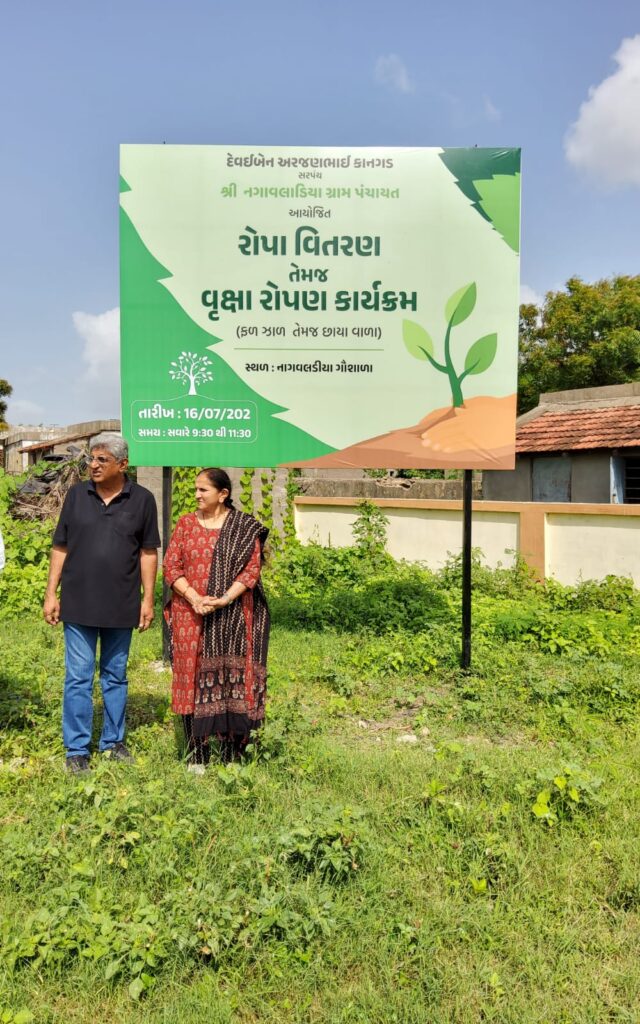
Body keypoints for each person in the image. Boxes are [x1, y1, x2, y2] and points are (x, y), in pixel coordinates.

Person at [43, 433, 160, 773]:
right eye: (91, 459)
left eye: (101, 460)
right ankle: (77, 750)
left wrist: (148, 599)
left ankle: (112, 743)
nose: (93, 465)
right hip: (78, 603)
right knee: (78, 677)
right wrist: (51, 593)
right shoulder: (77, 496)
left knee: (115, 676)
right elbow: (60, 546)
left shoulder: (143, 500)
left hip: (122, 604)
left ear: (123, 465)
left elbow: (148, 552)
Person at [163, 468, 269, 772]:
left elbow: (251, 570)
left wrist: (224, 599)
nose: (196, 495)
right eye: (195, 489)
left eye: (203, 490)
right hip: (189, 615)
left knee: (232, 678)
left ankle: (231, 752)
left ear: (223, 494)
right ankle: (197, 753)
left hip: (232, 616)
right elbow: (171, 567)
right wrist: (194, 597)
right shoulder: (186, 524)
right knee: (190, 678)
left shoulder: (243, 527)